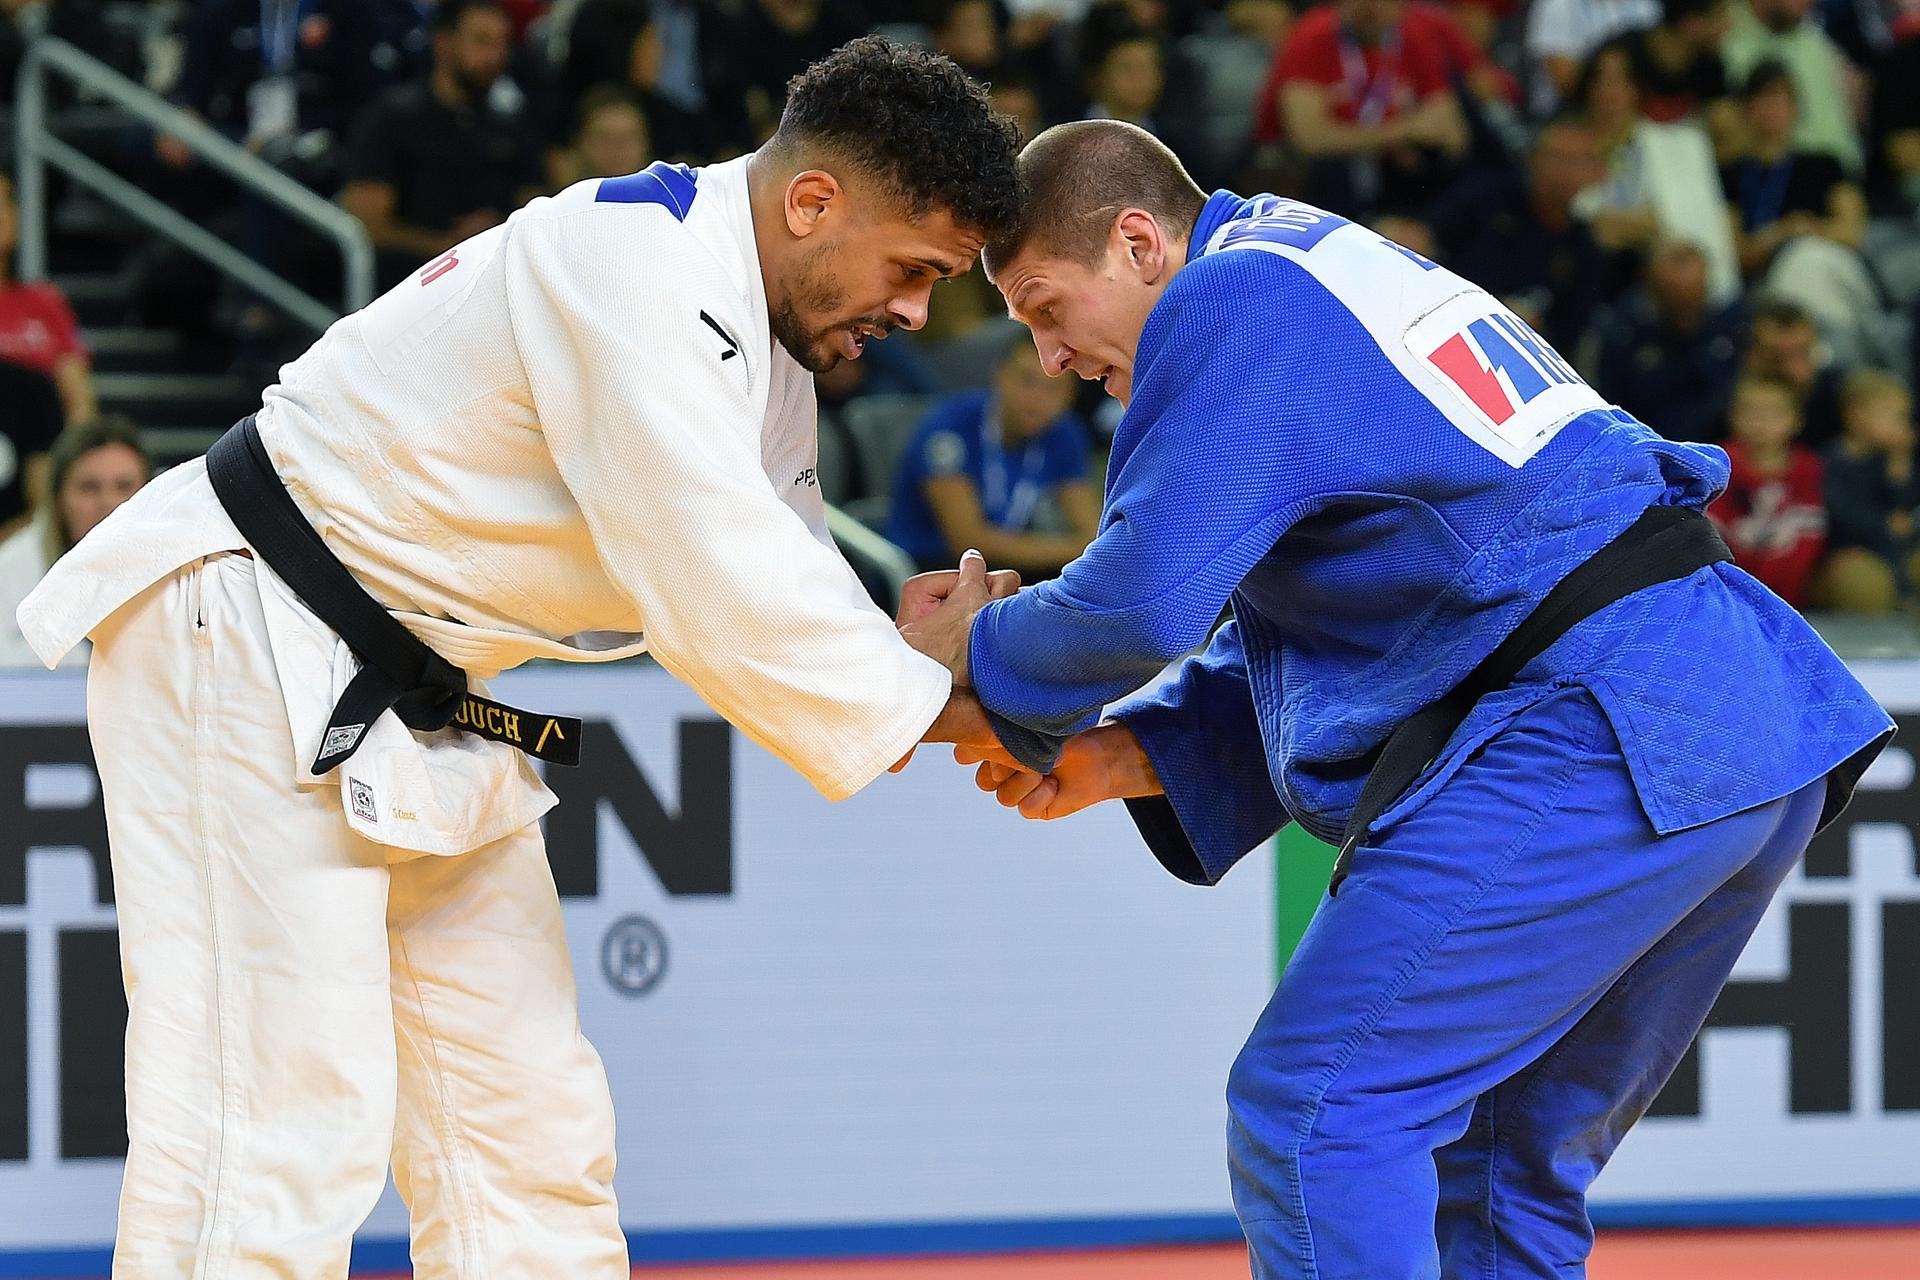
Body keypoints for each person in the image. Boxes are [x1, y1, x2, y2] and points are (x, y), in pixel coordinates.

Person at [15, 38, 1018, 1276]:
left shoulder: (758, 349)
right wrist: (969, 695)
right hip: (253, 629)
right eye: (914, 269)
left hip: (417, 685)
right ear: (813, 202)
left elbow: (786, 580)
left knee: (526, 1124)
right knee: (268, 1129)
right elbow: (721, 584)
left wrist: (907, 653)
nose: (916, 313)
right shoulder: (642, 264)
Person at [900, 119, 1891, 1279]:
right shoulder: (1310, 264)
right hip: (1728, 721)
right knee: (1501, 1166)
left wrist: (967, 646)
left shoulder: (1228, 301)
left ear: (1138, 243)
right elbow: (1386, 603)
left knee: (1317, 1112)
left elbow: (1140, 600)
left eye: (1044, 305)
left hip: (1600, 721)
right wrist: (1133, 751)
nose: (1049, 354)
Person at [341, 0, 549, 289]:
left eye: (503, 43)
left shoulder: (512, 124)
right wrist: (451, 247)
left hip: (495, 283)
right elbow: (367, 224)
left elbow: (536, 209)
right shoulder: (393, 117)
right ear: (443, 43)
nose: (496, 55)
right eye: (482, 41)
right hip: (408, 287)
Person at [886, 336, 1100, 576]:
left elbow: (1089, 529)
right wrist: (1078, 549)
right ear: (1001, 374)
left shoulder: (1064, 433)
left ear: (1071, 397)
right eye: (1027, 381)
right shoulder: (950, 426)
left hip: (1007, 570)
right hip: (929, 568)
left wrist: (1086, 548)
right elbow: (967, 541)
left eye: (1054, 389)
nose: (1038, 398)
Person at [1254, 0, 1472, 219]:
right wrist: (1401, 133)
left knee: (1462, 176)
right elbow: (1309, 139)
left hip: (1391, 176)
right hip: (1304, 178)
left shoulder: (1414, 36)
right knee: (1332, 169)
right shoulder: (1311, 36)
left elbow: (1453, 135)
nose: (1372, 5)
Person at [1427, 115, 1619, 354]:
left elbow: (1570, 332)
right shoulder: (1485, 198)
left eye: (1581, 162)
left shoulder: (1584, 248)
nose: (1569, 172)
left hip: (1514, 356)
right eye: (1560, 159)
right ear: (1533, 159)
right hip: (1442, 326)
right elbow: (1427, 237)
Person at [0, 416, 151, 668]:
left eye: (124, 486)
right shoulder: (9, 571)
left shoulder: (186, 570)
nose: (108, 503)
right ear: (59, 498)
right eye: (89, 487)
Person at [1593, 238, 1745, 441]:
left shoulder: (1731, 326)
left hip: (1719, 444)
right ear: (1653, 286)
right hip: (1642, 441)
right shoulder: (1625, 331)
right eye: (1674, 291)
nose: (1685, 302)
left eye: (1694, 291)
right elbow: (1610, 401)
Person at [1706, 372, 1826, 604]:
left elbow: (1809, 535)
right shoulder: (1717, 463)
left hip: (1794, 587)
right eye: (1750, 412)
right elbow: (1711, 533)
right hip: (1729, 591)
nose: (1760, 423)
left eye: (1773, 413)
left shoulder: (1808, 468)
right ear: (1732, 416)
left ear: (1796, 420)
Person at [1816, 367, 1920, 612]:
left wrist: (1900, 461)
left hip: (1893, 546)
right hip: (1850, 549)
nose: (1903, 426)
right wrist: (1883, 525)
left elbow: (1904, 503)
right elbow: (1838, 512)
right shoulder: (1834, 460)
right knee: (1864, 583)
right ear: (1857, 416)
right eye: (1893, 417)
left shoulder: (1885, 459)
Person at [0, 175, 96, 424]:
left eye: (7, 201)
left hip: (41, 440)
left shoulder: (46, 301)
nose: (2, 212)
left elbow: (80, 401)